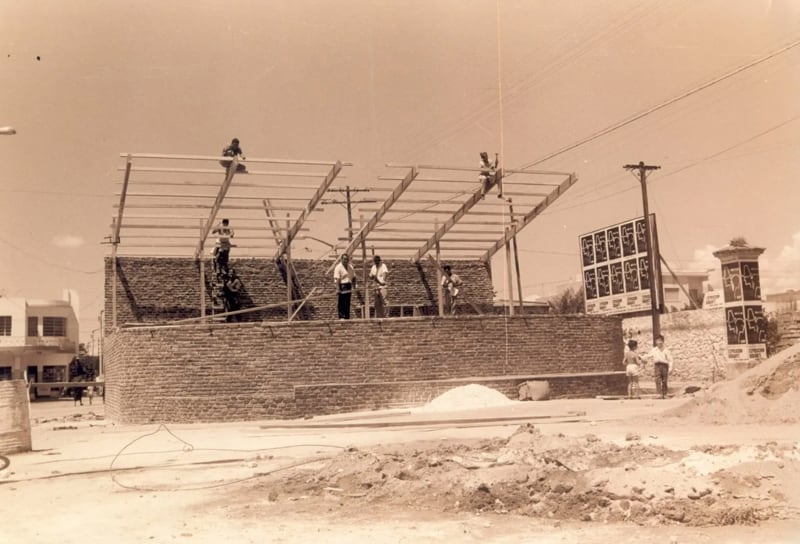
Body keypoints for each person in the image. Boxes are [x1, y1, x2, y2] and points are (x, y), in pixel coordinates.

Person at [645, 335, 673, 399]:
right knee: (657, 380)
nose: (659, 342)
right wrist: (642, 357)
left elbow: (670, 360)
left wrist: (670, 368)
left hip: (664, 366)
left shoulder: (666, 350)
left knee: (664, 380)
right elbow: (648, 355)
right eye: (658, 341)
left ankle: (665, 394)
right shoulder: (654, 350)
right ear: (656, 342)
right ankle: (659, 394)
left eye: (660, 341)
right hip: (657, 366)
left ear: (663, 341)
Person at [333, 254, 357, 319]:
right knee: (341, 302)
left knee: (347, 302)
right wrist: (337, 289)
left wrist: (354, 287)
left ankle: (347, 317)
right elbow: (337, 279)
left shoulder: (350, 267)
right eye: (344, 259)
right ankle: (341, 316)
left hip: (348, 285)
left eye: (347, 259)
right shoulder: (338, 267)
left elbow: (354, 277)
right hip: (342, 285)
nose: (346, 260)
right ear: (341, 259)